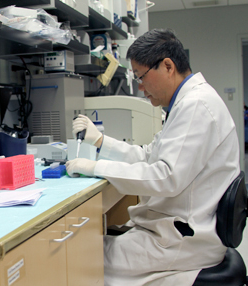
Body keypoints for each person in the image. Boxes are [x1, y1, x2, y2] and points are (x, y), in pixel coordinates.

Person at [66, 28, 240, 286]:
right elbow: (150, 156)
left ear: (167, 66)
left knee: (78, 261)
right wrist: (101, 142)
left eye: (141, 77)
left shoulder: (196, 106)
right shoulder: (185, 104)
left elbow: (165, 176)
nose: (140, 86)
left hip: (181, 241)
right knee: (87, 250)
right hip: (177, 230)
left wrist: (96, 167)